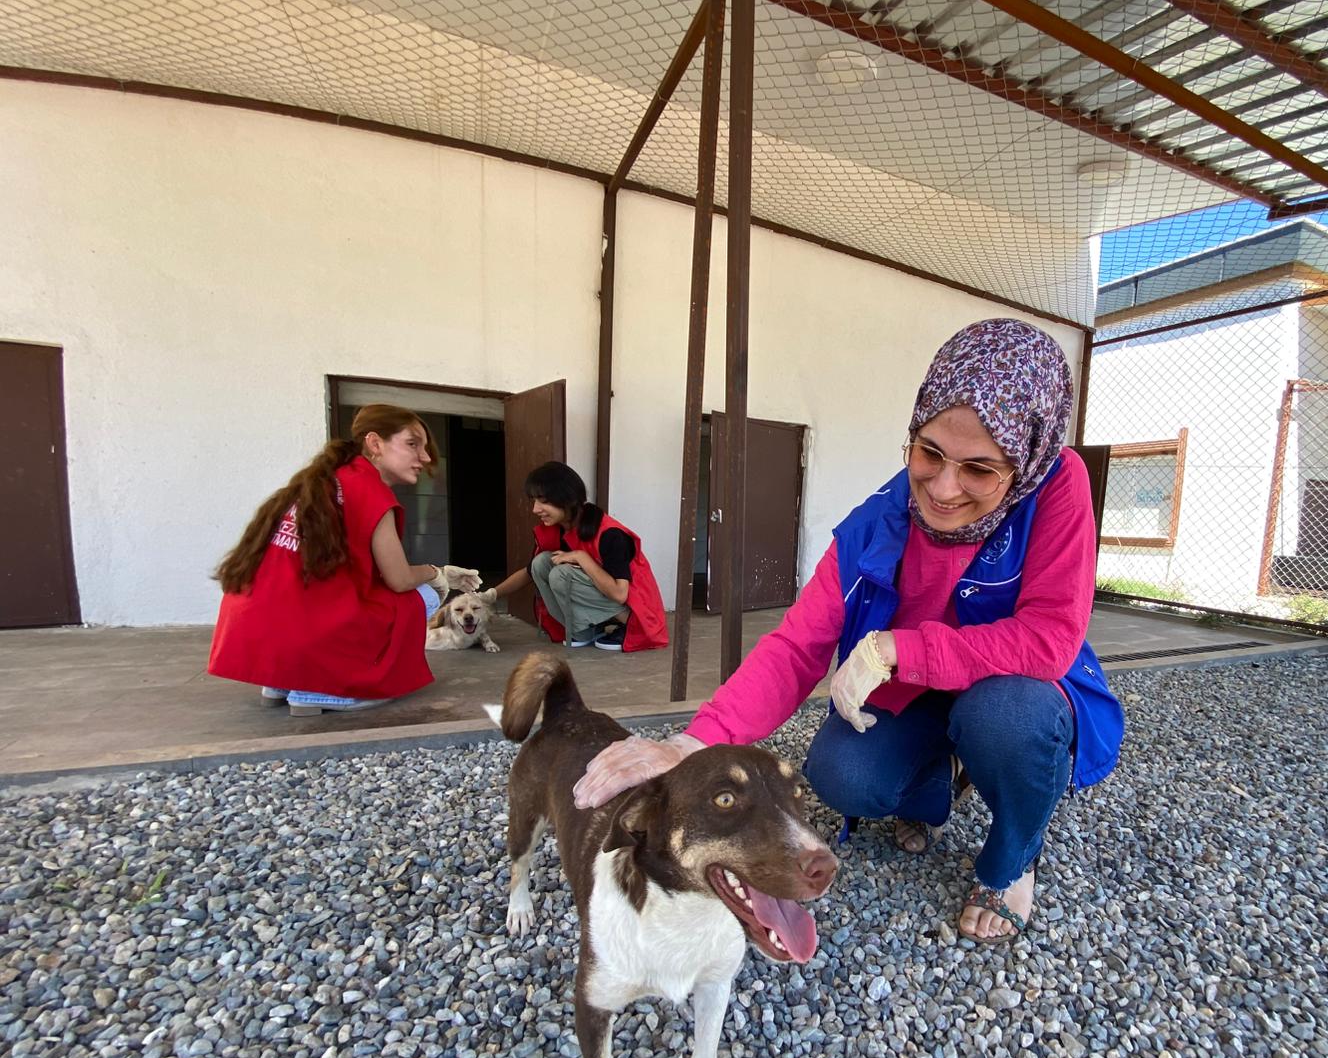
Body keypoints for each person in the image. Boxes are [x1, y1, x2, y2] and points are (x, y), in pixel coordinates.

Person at [572, 318, 1124, 943]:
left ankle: (1012, 860)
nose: (943, 489)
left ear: (1023, 462)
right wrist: (690, 747)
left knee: (1006, 719)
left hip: (1012, 688)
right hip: (916, 693)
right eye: (929, 453)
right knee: (842, 775)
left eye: (979, 470)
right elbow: (794, 648)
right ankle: (934, 788)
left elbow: (1049, 638)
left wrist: (899, 646)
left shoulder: (1058, 485)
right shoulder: (873, 524)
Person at [208, 404, 482, 715]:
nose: (426, 457)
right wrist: (437, 573)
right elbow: (399, 579)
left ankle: (283, 682)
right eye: (412, 444)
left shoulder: (321, 482)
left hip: (255, 628)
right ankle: (319, 691)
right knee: (424, 595)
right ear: (375, 443)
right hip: (303, 626)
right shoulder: (369, 489)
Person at [483, 461, 668, 652]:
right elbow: (529, 572)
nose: (535, 509)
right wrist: (489, 595)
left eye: (544, 501)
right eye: (534, 501)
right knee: (541, 563)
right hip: (606, 597)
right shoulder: (561, 529)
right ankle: (584, 629)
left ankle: (627, 623)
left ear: (568, 499)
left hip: (640, 614)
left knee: (561, 574)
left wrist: (581, 557)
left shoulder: (610, 535)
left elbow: (620, 594)